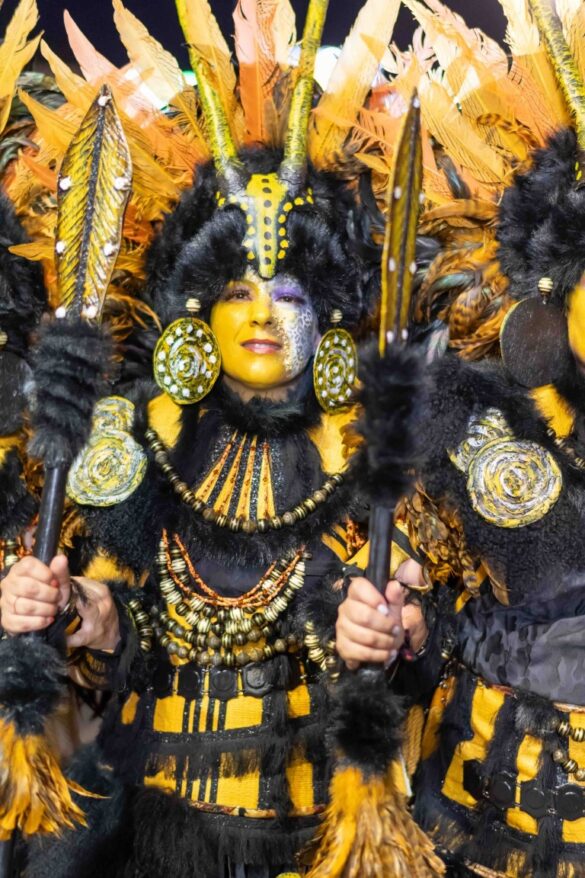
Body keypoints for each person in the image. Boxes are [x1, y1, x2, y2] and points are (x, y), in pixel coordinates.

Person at [0, 1, 429, 876]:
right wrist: (66, 608)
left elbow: (427, 631)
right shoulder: (142, 435)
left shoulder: (375, 451)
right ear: (200, 309)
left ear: (328, 314)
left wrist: (390, 632)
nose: (262, 314)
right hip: (154, 819)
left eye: (288, 294)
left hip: (315, 828)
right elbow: (118, 619)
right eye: (238, 292)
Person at [336, 1, 585, 876]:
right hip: (502, 810)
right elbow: (401, 598)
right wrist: (384, 625)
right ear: (557, 289)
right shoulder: (473, 427)